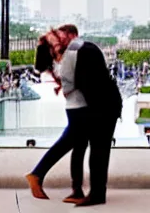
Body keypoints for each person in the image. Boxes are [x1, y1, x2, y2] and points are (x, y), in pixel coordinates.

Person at [26, 25, 122, 207]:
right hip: (93, 107)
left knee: (76, 146)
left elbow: (72, 85)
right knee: (95, 149)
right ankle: (92, 192)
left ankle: (75, 189)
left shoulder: (62, 58)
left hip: (77, 108)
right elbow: (90, 83)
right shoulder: (80, 50)